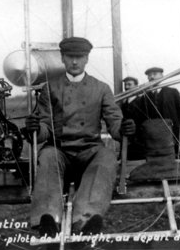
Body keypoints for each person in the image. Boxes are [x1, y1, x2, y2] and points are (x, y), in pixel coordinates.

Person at [24, 37, 135, 237]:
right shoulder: (50, 88)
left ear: (86, 59)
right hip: (60, 150)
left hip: (89, 149)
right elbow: (44, 128)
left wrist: (124, 129)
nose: (75, 62)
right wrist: (35, 128)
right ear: (62, 58)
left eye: (79, 57)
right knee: (47, 157)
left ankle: (86, 219)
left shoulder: (101, 88)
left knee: (107, 157)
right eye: (70, 57)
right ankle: (47, 219)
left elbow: (114, 123)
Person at [133, 67, 180, 157]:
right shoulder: (145, 97)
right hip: (153, 137)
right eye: (149, 75)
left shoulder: (172, 92)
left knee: (174, 160)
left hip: (171, 134)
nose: (152, 77)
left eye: (155, 74)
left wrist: (179, 140)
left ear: (162, 76)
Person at [120, 76, 145, 160]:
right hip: (127, 136)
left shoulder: (142, 101)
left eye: (129, 84)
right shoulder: (124, 103)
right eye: (125, 85)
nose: (126, 87)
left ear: (136, 86)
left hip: (139, 138)